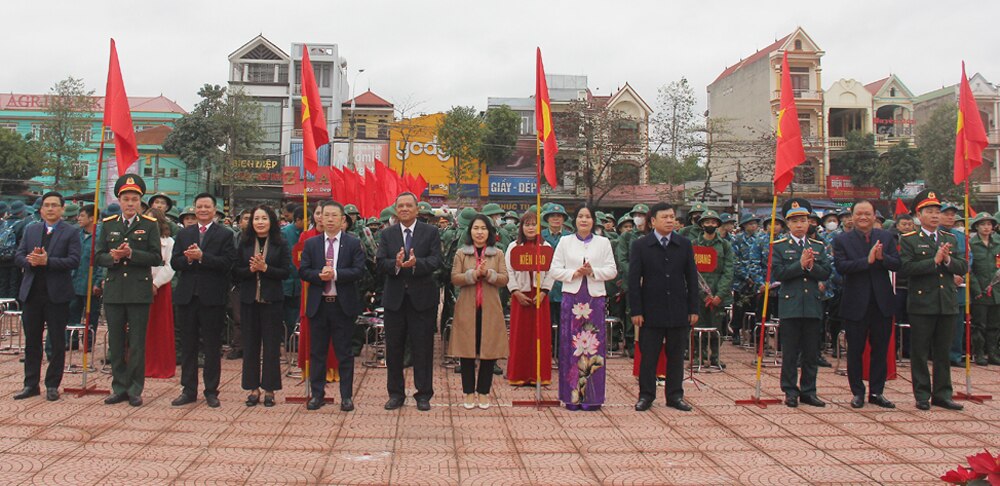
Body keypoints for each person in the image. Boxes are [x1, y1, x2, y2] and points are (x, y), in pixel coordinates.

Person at [97, 175, 162, 407]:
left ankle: (135, 388)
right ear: (119, 200)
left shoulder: (149, 224)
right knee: (115, 342)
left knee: (136, 343)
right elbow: (98, 257)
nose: (130, 203)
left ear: (141, 202)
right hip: (115, 290)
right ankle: (119, 386)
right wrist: (113, 257)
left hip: (138, 290)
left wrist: (132, 254)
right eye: (126, 199)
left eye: (135, 199)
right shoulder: (108, 224)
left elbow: (157, 257)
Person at [900, 189, 968, 411]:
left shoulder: (950, 238)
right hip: (922, 303)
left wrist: (947, 260)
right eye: (929, 211)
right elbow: (906, 268)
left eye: (937, 211)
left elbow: (962, 266)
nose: (935, 215)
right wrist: (934, 260)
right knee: (920, 351)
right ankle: (921, 394)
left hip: (946, 301)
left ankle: (942, 394)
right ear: (919, 215)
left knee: (942, 351)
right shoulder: (909, 239)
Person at [629, 202, 699, 412]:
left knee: (676, 356)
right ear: (652, 221)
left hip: (678, 308)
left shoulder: (684, 244)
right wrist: (636, 311)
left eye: (672, 217)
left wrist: (693, 308)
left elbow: (691, 278)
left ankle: (675, 395)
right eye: (665, 217)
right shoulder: (641, 245)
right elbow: (634, 280)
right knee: (648, 356)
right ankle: (646, 396)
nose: (670, 221)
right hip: (651, 310)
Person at [376, 192, 442, 411]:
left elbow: (436, 261)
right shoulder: (387, 234)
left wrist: (415, 263)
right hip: (395, 299)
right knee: (394, 348)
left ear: (417, 209)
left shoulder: (431, 232)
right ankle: (395, 394)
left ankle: (423, 394)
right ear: (396, 210)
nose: (404, 209)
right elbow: (379, 262)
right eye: (400, 206)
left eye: (408, 205)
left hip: (422, 300)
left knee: (423, 348)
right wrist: (395, 265)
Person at [170, 193, 237, 408]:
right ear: (194, 209)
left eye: (207, 206)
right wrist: (188, 259)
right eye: (199, 207)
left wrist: (203, 258)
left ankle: (211, 390)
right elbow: (174, 262)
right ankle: (188, 389)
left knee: (211, 346)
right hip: (187, 296)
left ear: (215, 209)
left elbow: (228, 263)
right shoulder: (184, 233)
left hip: (212, 297)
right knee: (188, 346)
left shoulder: (225, 235)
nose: (203, 210)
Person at [12, 192, 81, 401]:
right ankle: (30, 384)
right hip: (32, 293)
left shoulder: (71, 232)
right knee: (32, 341)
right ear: (40, 209)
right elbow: (18, 255)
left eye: (54, 205)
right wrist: (30, 261)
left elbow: (74, 260)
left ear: (62, 209)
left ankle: (52, 384)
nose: (50, 209)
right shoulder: (31, 229)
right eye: (46, 205)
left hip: (56, 294)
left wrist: (48, 262)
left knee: (57, 341)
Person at [833, 200, 901, 409]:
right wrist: (867, 261)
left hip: (881, 303)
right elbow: (842, 267)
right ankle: (857, 392)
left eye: (868, 214)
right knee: (855, 350)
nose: (863, 217)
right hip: (856, 302)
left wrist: (881, 258)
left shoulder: (886, 237)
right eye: (859, 214)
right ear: (851, 217)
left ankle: (877, 392)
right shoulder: (842, 240)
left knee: (880, 350)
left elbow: (897, 263)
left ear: (874, 216)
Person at [299, 201, 365, 411]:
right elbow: (303, 271)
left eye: (333, 216)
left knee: (344, 353)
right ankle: (317, 395)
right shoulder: (312, 244)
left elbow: (359, 271)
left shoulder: (353, 243)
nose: (328, 219)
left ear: (342, 220)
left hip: (342, 305)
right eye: (325, 215)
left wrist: (335, 274)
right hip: (319, 305)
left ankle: (346, 396)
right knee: (317, 352)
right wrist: (318, 275)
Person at [550, 206, 617, 411]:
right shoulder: (565, 242)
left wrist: (593, 271)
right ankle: (572, 397)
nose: (584, 220)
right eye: (580, 216)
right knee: (571, 347)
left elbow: (612, 270)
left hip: (594, 300)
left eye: (588, 217)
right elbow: (554, 270)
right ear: (575, 220)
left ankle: (592, 397)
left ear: (593, 220)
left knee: (593, 347)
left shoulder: (603, 242)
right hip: (572, 298)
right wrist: (574, 273)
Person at [773, 198, 832, 408]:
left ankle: (809, 390)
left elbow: (826, 272)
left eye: (804, 220)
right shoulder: (779, 246)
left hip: (812, 304)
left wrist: (809, 268)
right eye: (795, 221)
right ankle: (789, 390)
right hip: (791, 305)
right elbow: (777, 272)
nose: (800, 224)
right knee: (790, 352)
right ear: (788, 224)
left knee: (811, 352)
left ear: (809, 223)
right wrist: (799, 266)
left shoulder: (818, 246)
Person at [450, 214, 509, 409]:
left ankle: (483, 392)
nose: (480, 232)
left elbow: (504, 279)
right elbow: (455, 278)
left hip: (490, 308)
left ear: (490, 232)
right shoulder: (461, 253)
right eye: (476, 228)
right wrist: (474, 274)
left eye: (484, 228)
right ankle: (468, 392)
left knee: (488, 351)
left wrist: (488, 274)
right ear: (470, 231)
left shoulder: (497, 254)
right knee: (466, 351)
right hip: (467, 307)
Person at [233, 205, 290, 408]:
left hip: (272, 301)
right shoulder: (244, 243)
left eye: (264, 218)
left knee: (272, 346)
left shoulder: (280, 243)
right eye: (256, 218)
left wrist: (266, 268)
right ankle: (252, 389)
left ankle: (270, 389)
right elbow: (236, 271)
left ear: (271, 221)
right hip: (249, 301)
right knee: (250, 346)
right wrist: (250, 270)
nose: (259, 222)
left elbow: (286, 272)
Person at [506, 209, 554, 386]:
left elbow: (552, 272)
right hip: (520, 295)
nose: (531, 228)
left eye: (534, 224)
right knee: (520, 335)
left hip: (540, 296)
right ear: (521, 227)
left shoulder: (547, 247)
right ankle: (518, 374)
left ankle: (539, 375)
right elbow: (508, 271)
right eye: (527, 224)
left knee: (540, 334)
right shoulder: (513, 247)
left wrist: (544, 292)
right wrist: (515, 291)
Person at [691, 210, 734, 369]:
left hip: (718, 293)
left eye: (713, 222)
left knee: (718, 327)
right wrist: (703, 295)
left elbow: (728, 271)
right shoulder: (694, 245)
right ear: (702, 224)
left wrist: (719, 295)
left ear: (717, 224)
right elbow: (690, 271)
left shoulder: (725, 245)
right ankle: (699, 357)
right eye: (706, 222)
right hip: (698, 294)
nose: (710, 225)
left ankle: (715, 357)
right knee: (698, 326)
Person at [67, 204, 104, 351]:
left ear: (92, 218)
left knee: (91, 316)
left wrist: (98, 282)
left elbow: (101, 262)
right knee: (72, 313)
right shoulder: (77, 234)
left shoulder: (100, 236)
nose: (79, 219)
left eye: (82, 216)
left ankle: (88, 342)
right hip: (75, 281)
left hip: (91, 283)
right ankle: (71, 341)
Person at [144, 208, 176, 379]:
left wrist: (156, 283)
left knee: (161, 327)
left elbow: (171, 266)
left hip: (162, 288)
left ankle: (162, 366)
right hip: (141, 286)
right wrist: (147, 282)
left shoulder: (169, 242)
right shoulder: (140, 241)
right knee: (142, 327)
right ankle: (143, 365)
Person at [968, 212, 1000, 366]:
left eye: (989, 224)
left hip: (996, 291)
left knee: (995, 325)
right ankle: (979, 354)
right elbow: (970, 269)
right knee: (979, 325)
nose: (986, 227)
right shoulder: (972, 244)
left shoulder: (998, 243)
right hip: (980, 291)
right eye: (983, 224)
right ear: (977, 227)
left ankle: (992, 354)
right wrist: (976, 289)